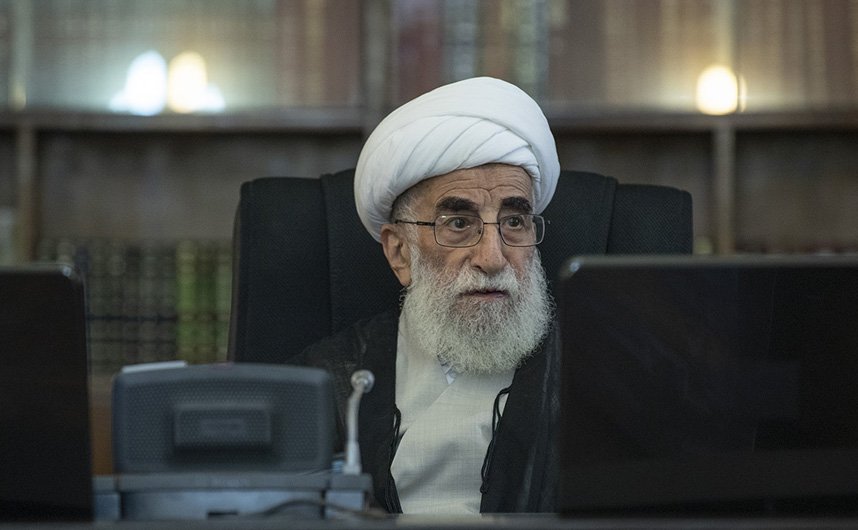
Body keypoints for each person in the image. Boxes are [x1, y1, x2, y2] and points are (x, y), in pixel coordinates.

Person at [291, 77, 562, 514]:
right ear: (400, 252)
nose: (493, 258)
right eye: (458, 224)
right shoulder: (327, 384)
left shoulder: (594, 375)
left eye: (514, 222)